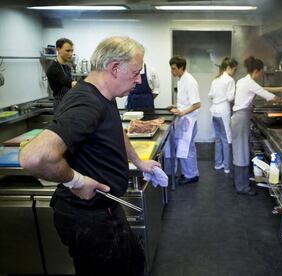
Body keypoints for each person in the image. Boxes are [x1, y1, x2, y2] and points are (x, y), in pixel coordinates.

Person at [20, 36, 161, 276]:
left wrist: (139, 162)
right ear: (115, 68)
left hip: (105, 209)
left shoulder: (105, 96)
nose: (139, 80)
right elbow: (33, 157)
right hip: (88, 218)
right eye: (135, 72)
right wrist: (77, 181)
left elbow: (118, 131)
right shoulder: (87, 102)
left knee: (135, 263)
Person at [231, 56, 282, 196]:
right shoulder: (249, 82)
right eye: (261, 72)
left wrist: (279, 89)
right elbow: (267, 95)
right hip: (241, 118)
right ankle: (242, 187)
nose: (261, 74)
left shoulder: (244, 80)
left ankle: (241, 183)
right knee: (241, 152)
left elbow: (260, 89)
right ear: (256, 70)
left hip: (238, 118)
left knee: (240, 151)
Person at [167, 55, 201, 185]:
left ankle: (192, 175)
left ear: (182, 67)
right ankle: (188, 172)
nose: (172, 71)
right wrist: (176, 106)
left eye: (174, 69)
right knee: (183, 147)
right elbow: (186, 102)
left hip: (188, 121)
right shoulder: (181, 79)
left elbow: (197, 104)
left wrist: (181, 112)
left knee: (188, 148)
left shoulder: (190, 81)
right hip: (183, 119)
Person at [208, 57, 238, 174]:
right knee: (226, 140)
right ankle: (226, 167)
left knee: (218, 139)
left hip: (214, 112)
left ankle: (218, 164)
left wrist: (218, 97)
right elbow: (230, 98)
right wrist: (236, 96)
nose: (234, 72)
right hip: (223, 111)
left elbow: (210, 95)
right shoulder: (230, 80)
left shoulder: (216, 80)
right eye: (234, 69)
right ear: (229, 68)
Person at [46, 38, 77, 111]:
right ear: (58, 50)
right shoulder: (54, 67)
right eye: (68, 51)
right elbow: (69, 83)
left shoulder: (67, 67)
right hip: (60, 104)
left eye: (72, 51)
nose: (71, 54)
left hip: (68, 102)